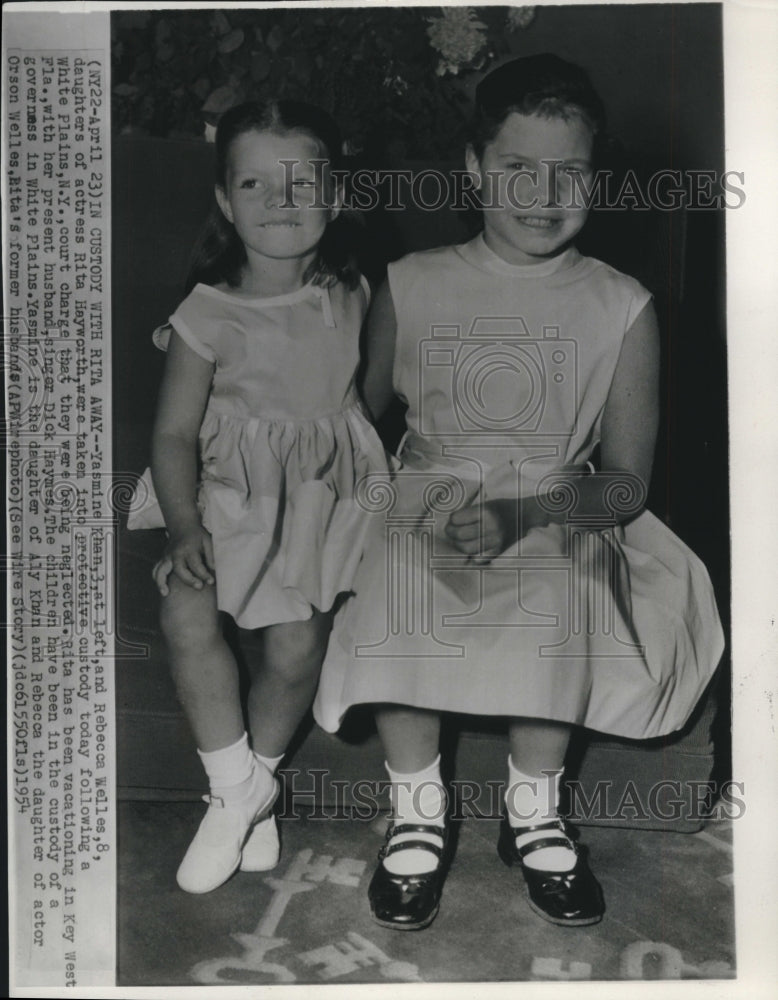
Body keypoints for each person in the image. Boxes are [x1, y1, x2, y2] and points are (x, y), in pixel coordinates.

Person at [313, 54, 725, 930]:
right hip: (428, 485)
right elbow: (356, 416)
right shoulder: (413, 280)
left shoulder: (623, 305)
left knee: (566, 583)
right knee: (399, 573)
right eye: (516, 168)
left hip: (560, 500)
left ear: (596, 177)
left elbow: (625, 486)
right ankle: (419, 809)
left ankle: (534, 810)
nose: (543, 192)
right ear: (473, 169)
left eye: (569, 171)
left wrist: (525, 513)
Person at [129, 100, 387, 894]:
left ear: (336, 194)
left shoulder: (355, 289)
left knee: (296, 647)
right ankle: (238, 793)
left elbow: (367, 401)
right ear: (224, 202)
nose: (280, 201)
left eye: (302, 182)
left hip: (312, 498)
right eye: (254, 182)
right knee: (184, 610)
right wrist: (182, 526)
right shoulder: (206, 313)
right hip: (226, 494)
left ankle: (251, 789)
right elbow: (173, 435)